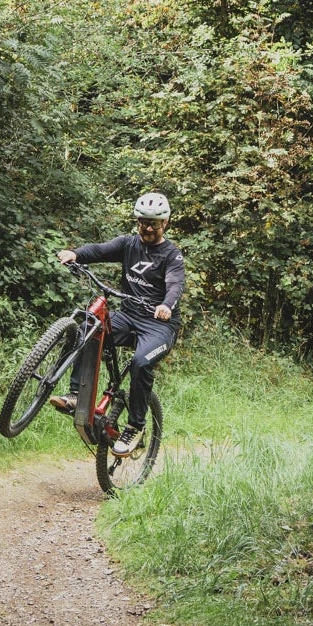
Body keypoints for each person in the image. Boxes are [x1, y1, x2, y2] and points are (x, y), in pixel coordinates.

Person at [49, 192, 184, 455]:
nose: (148, 228)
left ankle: (135, 426)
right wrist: (75, 254)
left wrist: (167, 305)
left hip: (159, 325)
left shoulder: (172, 255)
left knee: (141, 363)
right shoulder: (128, 244)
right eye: (143, 222)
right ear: (137, 221)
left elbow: (175, 284)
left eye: (154, 224)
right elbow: (99, 250)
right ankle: (76, 395)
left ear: (165, 223)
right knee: (89, 329)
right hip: (128, 316)